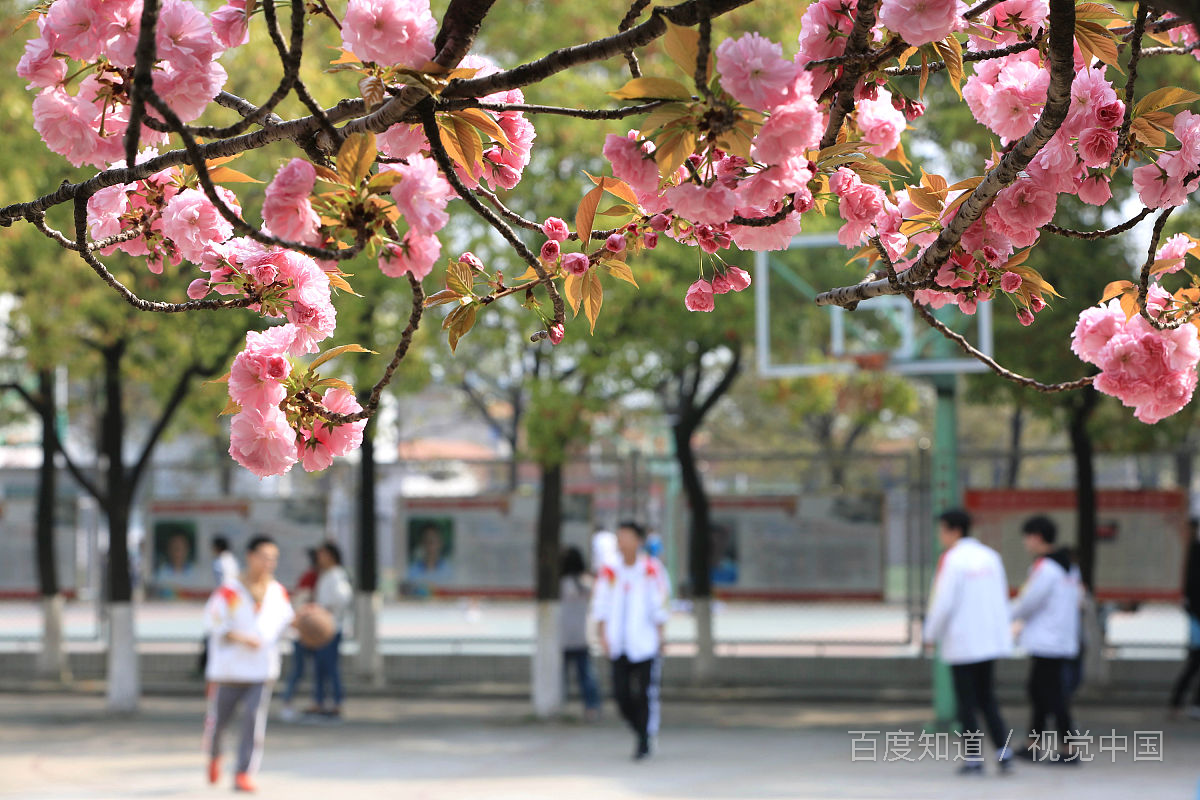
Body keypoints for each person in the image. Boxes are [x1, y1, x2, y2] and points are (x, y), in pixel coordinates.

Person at [923, 509, 1014, 775]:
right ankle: (1004, 751)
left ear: (953, 530)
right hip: (988, 642)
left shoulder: (951, 561)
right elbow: (1001, 599)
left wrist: (930, 634)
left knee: (967, 704)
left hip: (963, 643)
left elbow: (942, 603)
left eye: (942, 529)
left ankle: (974, 758)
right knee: (988, 699)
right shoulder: (991, 557)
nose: (940, 536)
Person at [202, 535, 295, 793]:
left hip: (260, 671)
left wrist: (307, 623)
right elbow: (213, 622)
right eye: (264, 557)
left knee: (253, 723)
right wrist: (241, 638)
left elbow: (287, 623)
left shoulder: (277, 592)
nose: (269, 563)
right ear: (250, 556)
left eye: (273, 558)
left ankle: (243, 772)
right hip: (228, 672)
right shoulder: (230, 590)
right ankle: (214, 756)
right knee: (219, 724)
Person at [592, 521, 671, 760]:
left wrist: (660, 636)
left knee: (645, 694)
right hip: (618, 643)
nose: (621, 542)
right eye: (619, 537)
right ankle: (641, 731)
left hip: (644, 642)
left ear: (638, 541)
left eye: (626, 537)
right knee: (621, 695)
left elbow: (659, 604)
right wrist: (602, 634)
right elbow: (601, 603)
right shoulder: (610, 569)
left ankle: (644, 740)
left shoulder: (651, 568)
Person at [1010, 515, 1081, 763]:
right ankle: (1033, 745)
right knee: (1039, 692)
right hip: (1059, 640)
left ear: (1037, 537)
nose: (1025, 542)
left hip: (1047, 642)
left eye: (1027, 537)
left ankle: (1069, 750)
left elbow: (1027, 602)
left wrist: (1002, 616)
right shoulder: (1069, 566)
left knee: (1052, 696)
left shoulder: (1045, 568)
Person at [311, 541, 353, 718]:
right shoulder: (326, 574)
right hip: (321, 628)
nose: (319, 558)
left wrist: (325, 610)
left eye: (322, 554)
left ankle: (337, 702)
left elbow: (343, 597)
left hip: (331, 628)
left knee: (330, 667)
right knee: (320, 667)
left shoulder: (336, 574)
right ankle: (320, 701)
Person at [560, 545, 601, 720]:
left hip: (563, 636)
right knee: (586, 675)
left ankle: (559, 704)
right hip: (582, 635)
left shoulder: (561, 583)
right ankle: (591, 707)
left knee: (561, 676)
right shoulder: (587, 583)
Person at [279, 549, 319, 722]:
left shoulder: (318, 577)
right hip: (304, 631)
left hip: (313, 631)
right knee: (299, 670)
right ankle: (287, 703)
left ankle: (315, 703)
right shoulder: (311, 577)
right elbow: (299, 602)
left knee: (315, 671)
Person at [197, 537, 241, 677]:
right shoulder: (232, 560)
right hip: (233, 601)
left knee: (214, 633)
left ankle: (205, 666)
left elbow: (223, 585)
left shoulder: (219, 562)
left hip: (224, 602)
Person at [1169, 519, 1200, 717]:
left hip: (1195, 612)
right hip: (1197, 615)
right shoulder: (1195, 549)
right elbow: (1192, 585)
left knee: (1195, 661)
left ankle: (1184, 702)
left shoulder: (1193, 549)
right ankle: (1182, 701)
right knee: (1196, 660)